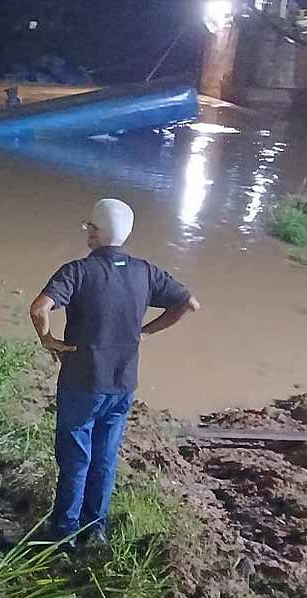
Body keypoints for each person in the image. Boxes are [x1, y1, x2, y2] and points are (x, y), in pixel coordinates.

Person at [29, 198, 200, 545]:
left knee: (76, 459)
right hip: (122, 384)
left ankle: (63, 533)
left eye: (89, 227)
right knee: (105, 458)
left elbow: (39, 308)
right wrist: (146, 331)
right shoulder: (144, 271)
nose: (87, 232)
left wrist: (48, 339)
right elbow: (189, 303)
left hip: (82, 382)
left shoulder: (77, 271)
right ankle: (96, 530)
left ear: (96, 232)